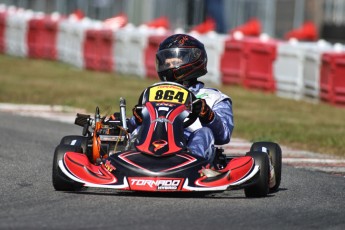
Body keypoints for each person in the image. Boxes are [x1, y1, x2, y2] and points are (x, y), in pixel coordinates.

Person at [128, 34, 234, 165]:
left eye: (175, 62)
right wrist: (137, 120)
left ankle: (192, 166)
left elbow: (223, 136)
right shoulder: (154, 92)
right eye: (167, 62)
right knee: (139, 130)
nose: (169, 66)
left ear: (193, 60)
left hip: (189, 146)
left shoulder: (214, 97)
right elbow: (129, 127)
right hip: (155, 139)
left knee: (205, 133)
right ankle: (132, 161)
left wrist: (208, 115)